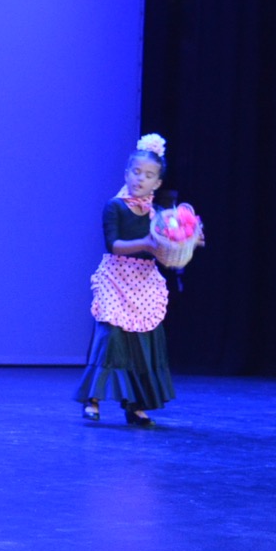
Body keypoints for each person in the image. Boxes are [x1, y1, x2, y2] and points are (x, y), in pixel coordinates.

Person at [75, 134, 178, 427]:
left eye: (148, 175)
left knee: (142, 343)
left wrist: (184, 243)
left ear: (157, 182)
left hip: (143, 282)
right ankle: (92, 398)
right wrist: (147, 243)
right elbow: (114, 245)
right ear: (126, 173)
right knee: (111, 338)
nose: (140, 179)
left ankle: (135, 405)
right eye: (136, 172)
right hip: (116, 277)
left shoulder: (158, 215)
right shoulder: (115, 206)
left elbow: (166, 254)